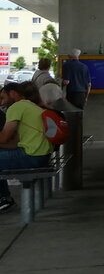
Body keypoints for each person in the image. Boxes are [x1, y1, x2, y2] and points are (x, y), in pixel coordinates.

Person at [0, 81, 54, 213]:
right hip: (42, 155)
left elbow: (4, 137)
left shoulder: (16, 107)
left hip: (31, 156)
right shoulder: (29, 106)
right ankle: (4, 198)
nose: (1, 103)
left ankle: (4, 198)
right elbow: (15, 142)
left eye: (2, 98)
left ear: (12, 93)